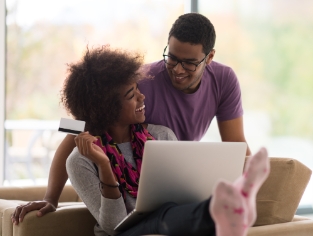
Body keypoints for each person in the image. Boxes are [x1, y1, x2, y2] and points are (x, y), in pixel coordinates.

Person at [12, 12, 251, 222]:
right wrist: (51, 198)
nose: (178, 69)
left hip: (174, 172)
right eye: (173, 58)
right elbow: (75, 126)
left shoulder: (224, 80)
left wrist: (256, 187)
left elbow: (236, 144)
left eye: (189, 63)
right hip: (130, 180)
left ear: (208, 58)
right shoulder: (141, 81)